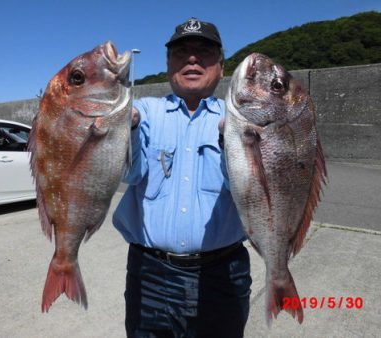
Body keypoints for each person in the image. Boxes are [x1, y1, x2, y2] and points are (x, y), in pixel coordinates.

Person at [113, 18, 251, 338]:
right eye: (181, 52)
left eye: (203, 51)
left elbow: (245, 189)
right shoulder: (143, 111)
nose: (192, 58)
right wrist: (128, 127)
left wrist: (234, 143)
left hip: (224, 272)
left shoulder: (241, 118)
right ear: (168, 64)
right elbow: (129, 174)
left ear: (220, 65)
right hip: (150, 275)